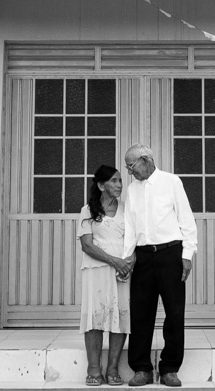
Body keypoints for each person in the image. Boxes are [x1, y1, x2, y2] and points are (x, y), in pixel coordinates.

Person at [121, 143, 197, 388]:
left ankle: (170, 368)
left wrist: (187, 255)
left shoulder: (171, 182)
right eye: (127, 168)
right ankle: (141, 368)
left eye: (131, 166)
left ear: (146, 160)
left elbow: (186, 219)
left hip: (170, 254)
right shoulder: (132, 190)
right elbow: (130, 226)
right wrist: (127, 257)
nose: (130, 173)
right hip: (143, 257)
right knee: (140, 313)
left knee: (174, 313)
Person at [78, 164, 133, 386]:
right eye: (113, 181)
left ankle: (112, 368)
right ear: (101, 185)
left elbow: (134, 242)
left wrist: (127, 265)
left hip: (122, 273)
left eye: (120, 180)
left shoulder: (127, 210)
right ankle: (93, 368)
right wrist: (115, 262)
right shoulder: (87, 211)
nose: (119, 185)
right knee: (95, 316)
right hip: (97, 271)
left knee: (120, 316)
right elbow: (87, 245)